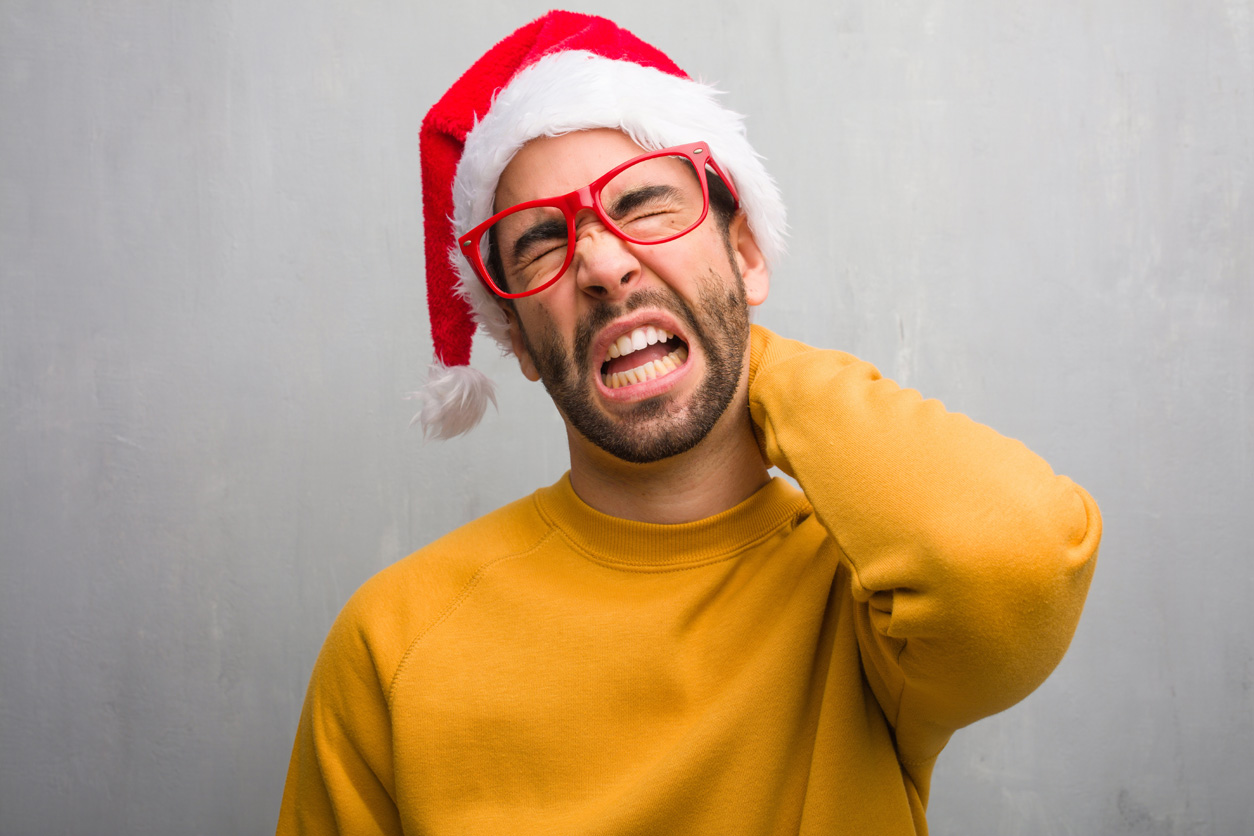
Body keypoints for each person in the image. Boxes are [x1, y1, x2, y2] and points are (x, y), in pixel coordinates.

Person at [277, 11, 1101, 835]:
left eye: (644, 206)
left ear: (746, 254)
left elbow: (1018, 559)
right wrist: (693, 317)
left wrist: (735, 347)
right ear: (517, 340)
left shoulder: (867, 597)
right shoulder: (393, 643)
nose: (601, 265)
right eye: (540, 245)